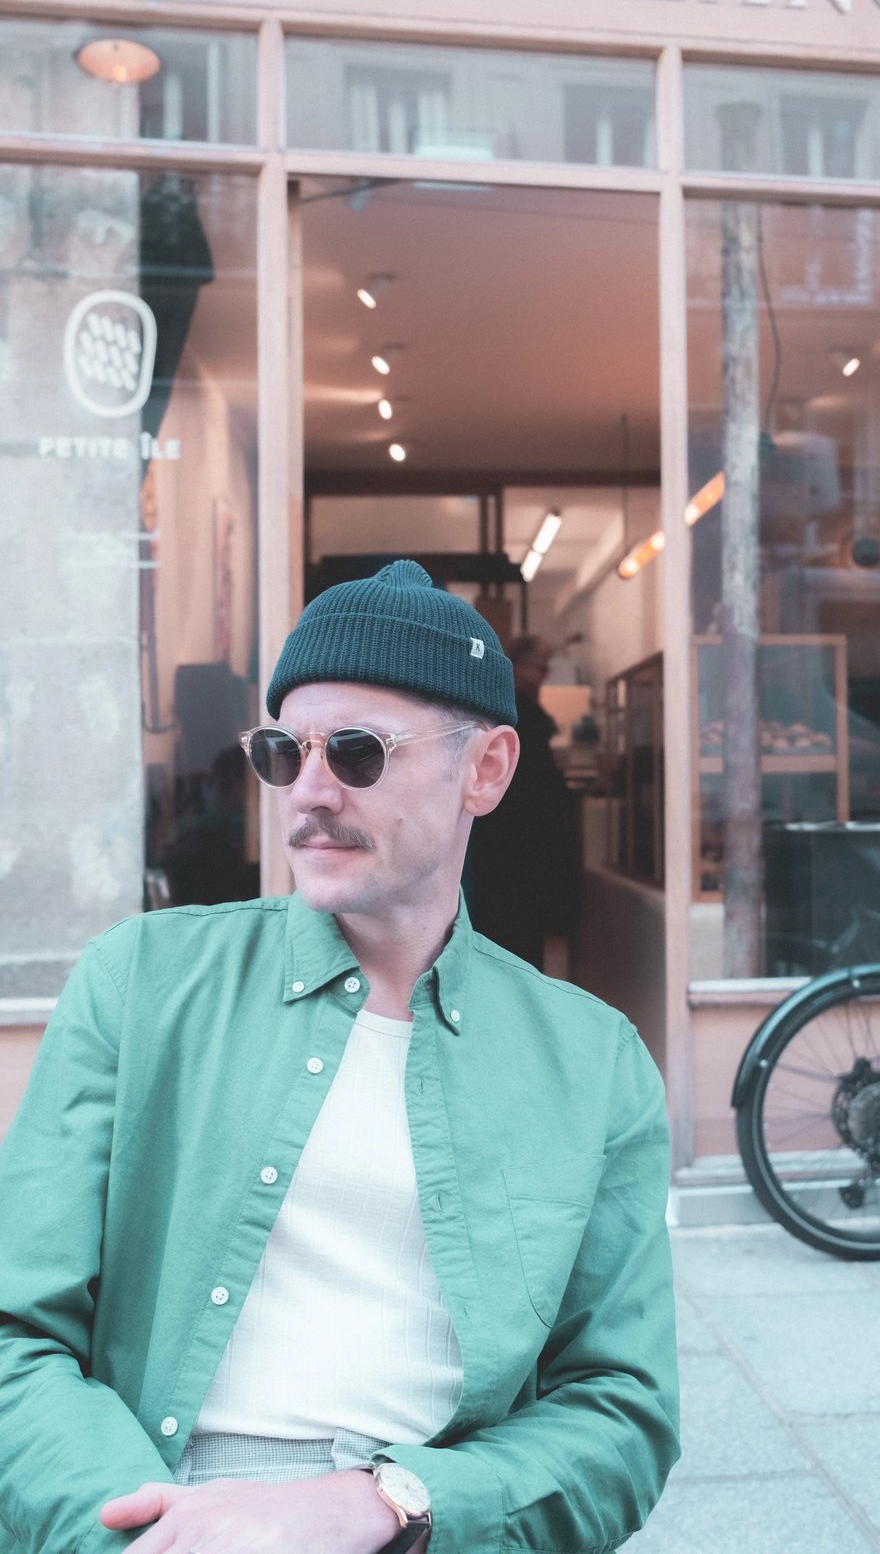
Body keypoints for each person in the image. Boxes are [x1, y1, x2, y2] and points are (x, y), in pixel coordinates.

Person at [0, 561, 679, 1554]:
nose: (310, 792)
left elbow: (622, 1412)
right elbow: (17, 1331)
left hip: (422, 1517)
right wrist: (149, 1532)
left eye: (357, 752)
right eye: (284, 752)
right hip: (155, 1503)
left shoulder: (593, 1061)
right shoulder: (142, 984)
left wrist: (387, 1502)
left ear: (484, 769)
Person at [468, 633, 578, 969]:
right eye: (538, 667)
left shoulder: (513, 714)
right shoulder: (519, 716)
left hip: (508, 846)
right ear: (517, 668)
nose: (543, 675)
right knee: (514, 940)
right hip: (513, 846)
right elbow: (536, 792)